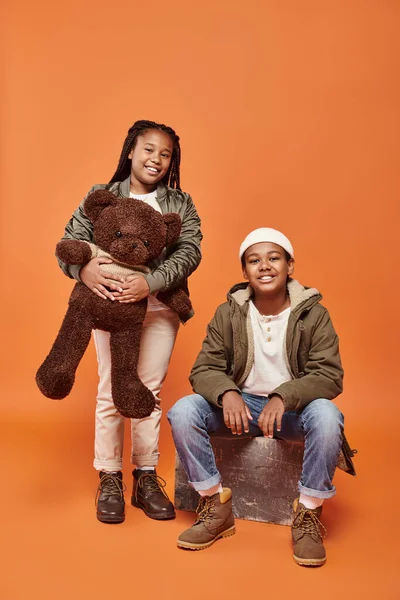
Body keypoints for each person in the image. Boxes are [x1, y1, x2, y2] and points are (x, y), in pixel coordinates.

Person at [168, 228, 356, 566]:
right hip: (239, 410)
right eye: (254, 260)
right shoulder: (229, 313)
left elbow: (329, 375)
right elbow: (204, 368)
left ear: (289, 266)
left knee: (328, 415)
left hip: (292, 413)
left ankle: (308, 514)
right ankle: (215, 504)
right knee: (183, 410)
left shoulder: (314, 315)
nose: (264, 266)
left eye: (273, 258)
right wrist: (227, 392)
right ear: (245, 272)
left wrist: (284, 397)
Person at [57, 120, 202, 524]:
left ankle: (145, 475)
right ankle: (109, 475)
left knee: (148, 389)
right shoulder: (101, 195)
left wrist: (149, 282)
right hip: (112, 304)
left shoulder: (180, 203)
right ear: (131, 151)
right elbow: (71, 240)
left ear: (172, 161)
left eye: (166, 154)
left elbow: (189, 251)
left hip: (159, 309)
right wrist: (82, 272)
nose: (156, 159)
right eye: (148, 149)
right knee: (110, 387)